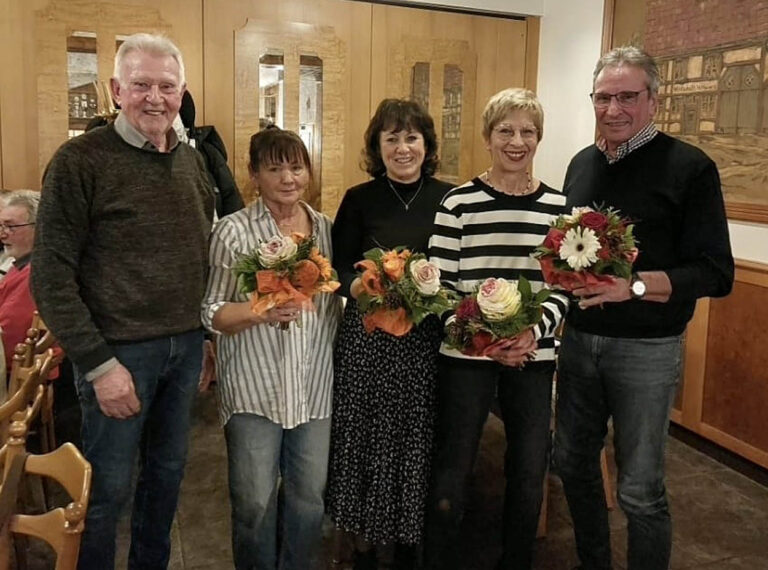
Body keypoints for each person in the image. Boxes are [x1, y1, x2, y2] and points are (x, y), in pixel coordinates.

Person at [31, 33, 214, 569]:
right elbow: (51, 276)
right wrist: (98, 364)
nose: (155, 97)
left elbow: (199, 258)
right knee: (106, 492)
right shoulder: (79, 162)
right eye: (141, 85)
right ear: (116, 89)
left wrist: (204, 338)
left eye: (167, 86)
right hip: (118, 357)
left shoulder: (191, 163)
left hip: (183, 351)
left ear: (182, 93)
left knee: (166, 480)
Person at [553, 46, 734, 570]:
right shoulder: (580, 165)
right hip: (580, 342)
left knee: (639, 489)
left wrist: (630, 288)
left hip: (648, 351)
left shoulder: (691, 168)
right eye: (603, 97)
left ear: (654, 99)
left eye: (627, 97)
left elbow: (715, 273)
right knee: (573, 466)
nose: (613, 109)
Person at [424, 88, 568, 570]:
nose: (517, 140)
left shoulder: (558, 207)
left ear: (538, 139)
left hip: (532, 354)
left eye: (528, 131)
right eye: (505, 130)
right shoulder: (458, 203)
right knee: (454, 464)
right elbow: (440, 286)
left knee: (530, 469)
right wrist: (483, 342)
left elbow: (562, 286)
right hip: (466, 355)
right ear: (488, 137)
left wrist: (533, 333)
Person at [201, 126, 342, 570]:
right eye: (275, 168)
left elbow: (336, 300)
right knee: (254, 505)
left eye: (296, 167)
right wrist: (257, 311)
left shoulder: (326, 229)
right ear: (254, 175)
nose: (288, 178)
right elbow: (211, 311)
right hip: (254, 392)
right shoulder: (232, 232)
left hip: (314, 388)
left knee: (308, 501)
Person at [325, 99, 453, 568]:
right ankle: (360, 536)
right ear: (377, 147)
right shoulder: (360, 199)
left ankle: (405, 538)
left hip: (424, 342)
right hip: (369, 342)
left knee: (414, 439)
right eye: (392, 138)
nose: (403, 148)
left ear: (427, 144)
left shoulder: (449, 197)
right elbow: (335, 267)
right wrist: (359, 283)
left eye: (412, 137)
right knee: (365, 437)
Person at [0, 191, 40, 380]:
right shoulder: (20, 265)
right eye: (1, 226)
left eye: (11, 227)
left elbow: (9, 338)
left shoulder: (33, 274)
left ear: (39, 227)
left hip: (12, 375)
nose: (2, 234)